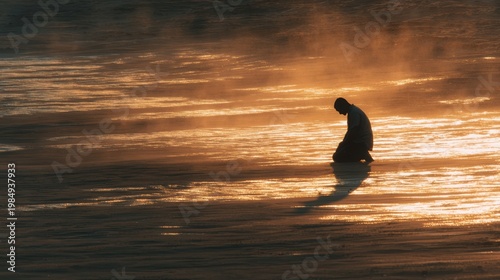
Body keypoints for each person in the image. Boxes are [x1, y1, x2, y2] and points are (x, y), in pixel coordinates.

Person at [332, 97, 374, 163]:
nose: (340, 113)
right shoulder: (352, 111)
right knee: (339, 152)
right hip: (359, 142)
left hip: (361, 143)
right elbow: (351, 132)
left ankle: (362, 153)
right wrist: (343, 143)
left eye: (339, 110)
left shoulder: (354, 113)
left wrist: (344, 144)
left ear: (343, 106)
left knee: (337, 157)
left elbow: (353, 132)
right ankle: (363, 154)